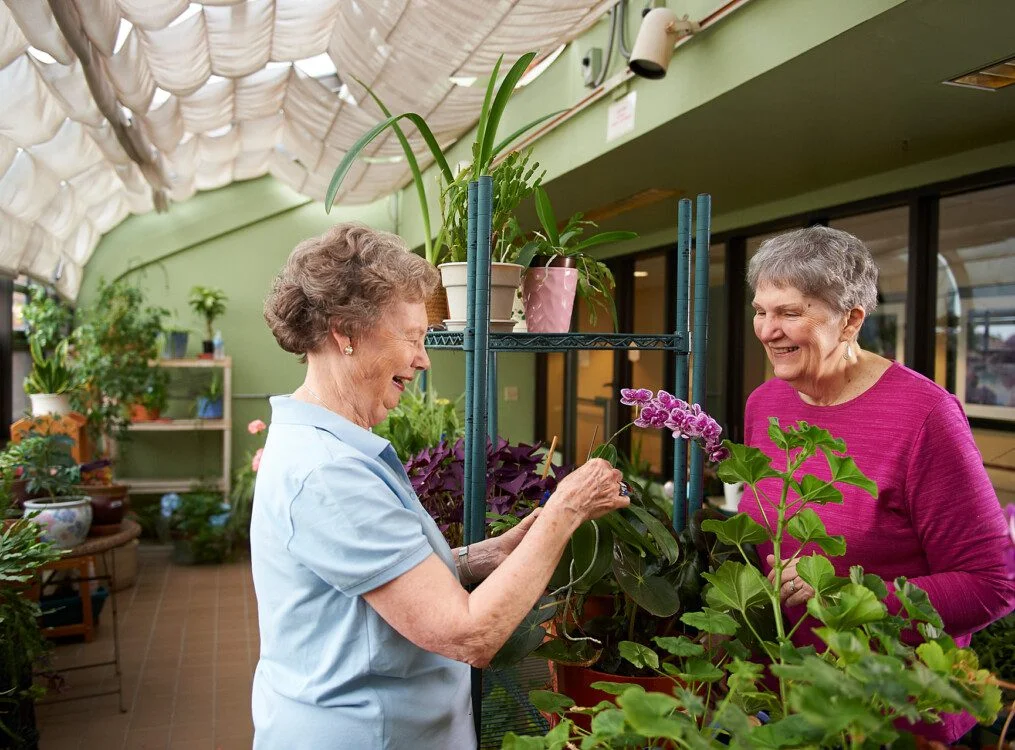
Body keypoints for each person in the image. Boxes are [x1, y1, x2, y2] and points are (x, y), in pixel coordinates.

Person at [250, 223, 628, 749]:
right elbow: (469, 633)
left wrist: (487, 555)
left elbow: (380, 583)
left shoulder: (326, 445)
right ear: (345, 332)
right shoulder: (327, 474)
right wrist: (566, 507)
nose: (424, 359)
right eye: (412, 337)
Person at [740, 226, 1015, 744]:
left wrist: (847, 594)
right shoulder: (765, 405)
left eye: (790, 313)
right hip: (793, 703)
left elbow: (992, 585)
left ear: (851, 320)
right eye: (761, 310)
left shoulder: (924, 417)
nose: (767, 330)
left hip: (899, 714)